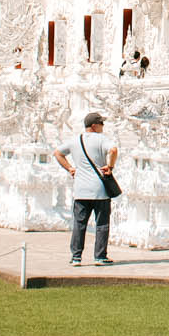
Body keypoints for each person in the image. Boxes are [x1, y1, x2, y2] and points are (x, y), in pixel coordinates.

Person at [53, 111, 118, 266]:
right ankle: (100, 256)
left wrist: (70, 168)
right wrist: (110, 166)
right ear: (94, 126)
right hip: (100, 191)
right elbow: (113, 150)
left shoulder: (75, 139)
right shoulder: (102, 139)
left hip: (81, 190)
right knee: (101, 224)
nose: (103, 126)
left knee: (79, 224)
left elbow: (57, 153)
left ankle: (76, 257)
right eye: (101, 123)